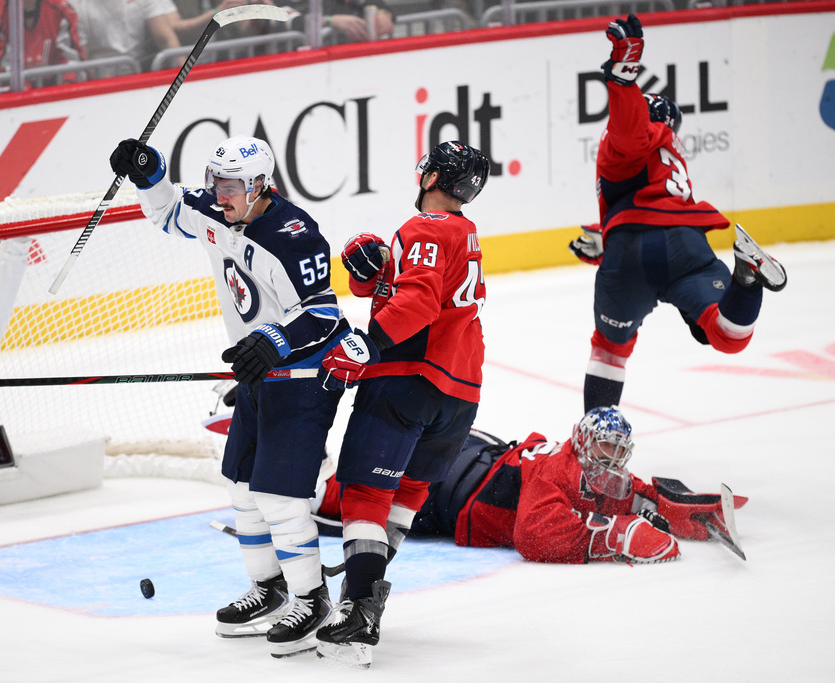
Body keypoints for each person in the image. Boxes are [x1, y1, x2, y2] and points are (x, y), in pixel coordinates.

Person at [108, 135, 350, 658]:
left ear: (261, 186)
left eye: (232, 186)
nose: (220, 195)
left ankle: (313, 600)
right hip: (260, 373)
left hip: (305, 375)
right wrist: (149, 173)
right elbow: (172, 211)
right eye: (216, 182)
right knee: (242, 486)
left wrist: (272, 340)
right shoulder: (220, 210)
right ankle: (270, 590)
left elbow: (324, 314)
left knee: (281, 497)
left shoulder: (294, 235)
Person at [313, 140, 489, 668]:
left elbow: (418, 302)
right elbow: (408, 289)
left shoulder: (426, 229)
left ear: (432, 175)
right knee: (406, 494)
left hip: (407, 381)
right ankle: (360, 598)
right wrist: (373, 276)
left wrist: (369, 343)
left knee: (364, 493)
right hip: (461, 394)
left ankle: (362, 613)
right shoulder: (465, 232)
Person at [569, 14, 788, 413]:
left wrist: (622, 77)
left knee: (609, 350)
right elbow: (651, 210)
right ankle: (747, 278)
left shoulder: (631, 137)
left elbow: (630, 133)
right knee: (726, 334)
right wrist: (602, 240)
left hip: (632, 251)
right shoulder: (671, 156)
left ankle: (596, 449)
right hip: (684, 246)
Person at [311, 407, 746, 565]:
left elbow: (627, 490)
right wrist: (615, 534)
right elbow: (533, 536)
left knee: (390, 457)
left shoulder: (582, 463)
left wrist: (676, 508)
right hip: (451, 497)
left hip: (476, 455)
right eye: (604, 449)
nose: (610, 459)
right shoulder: (557, 473)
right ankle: (305, 468)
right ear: (582, 442)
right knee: (349, 497)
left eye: (617, 451)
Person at [0, 0, 87, 85]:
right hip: (7, 101)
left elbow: (70, 60)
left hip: (52, 94)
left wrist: (65, 87)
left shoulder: (61, 8)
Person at [282, 0, 395, 43]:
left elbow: (368, 2)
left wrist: (382, 13)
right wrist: (330, 21)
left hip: (346, 58)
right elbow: (290, 20)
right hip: (294, 65)